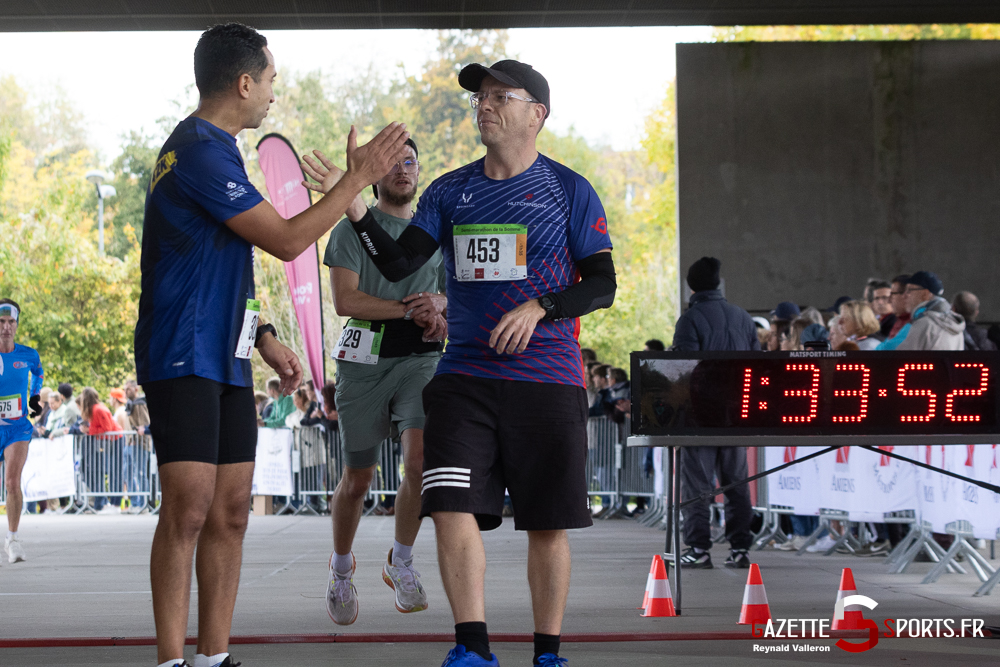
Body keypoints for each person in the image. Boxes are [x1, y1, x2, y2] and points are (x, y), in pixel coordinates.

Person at [133, 23, 412, 667]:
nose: (274, 96)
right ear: (243, 82)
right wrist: (356, 179)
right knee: (190, 509)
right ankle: (171, 661)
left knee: (232, 510)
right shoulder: (197, 148)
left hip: (224, 353)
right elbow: (286, 239)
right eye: (271, 82)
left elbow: (228, 254)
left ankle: (214, 658)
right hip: (182, 350)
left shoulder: (221, 148)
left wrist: (262, 334)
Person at [323, 59, 616, 667]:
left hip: (547, 380)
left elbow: (603, 284)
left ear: (536, 113)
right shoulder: (451, 191)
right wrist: (354, 204)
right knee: (449, 506)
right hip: (463, 380)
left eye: (499, 96)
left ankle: (548, 652)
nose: (484, 104)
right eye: (479, 97)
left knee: (547, 523)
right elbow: (402, 262)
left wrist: (542, 306)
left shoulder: (569, 189)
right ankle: (472, 647)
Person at [302, 136, 445, 626]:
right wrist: (414, 309)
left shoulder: (435, 233)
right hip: (363, 364)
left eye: (412, 162)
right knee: (358, 479)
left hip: (422, 361)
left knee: (420, 460)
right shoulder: (350, 229)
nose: (404, 169)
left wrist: (441, 311)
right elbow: (347, 301)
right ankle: (341, 568)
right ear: (377, 173)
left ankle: (400, 561)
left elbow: (448, 302)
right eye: (395, 162)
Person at [671, 257, 758, 570]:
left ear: (691, 286)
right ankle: (740, 549)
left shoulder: (690, 319)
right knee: (737, 484)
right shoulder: (743, 317)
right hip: (737, 414)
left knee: (697, 486)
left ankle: (698, 548)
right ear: (719, 283)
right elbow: (758, 364)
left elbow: (683, 369)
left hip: (701, 416)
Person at [0, 298, 44, 563]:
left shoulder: (28, 355)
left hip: (17, 427)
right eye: (1, 322)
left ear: (17, 325)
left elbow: (38, 373)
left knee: (12, 481)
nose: (6, 327)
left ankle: (13, 539)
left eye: (10, 322)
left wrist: (34, 397)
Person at [881, 272, 965, 351]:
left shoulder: (925, 324)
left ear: (925, 294)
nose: (904, 295)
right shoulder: (956, 323)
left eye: (909, 290)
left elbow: (900, 358)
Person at [880, 274, 911, 340]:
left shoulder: (916, 326)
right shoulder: (898, 321)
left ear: (905, 295)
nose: (889, 300)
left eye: (893, 294)